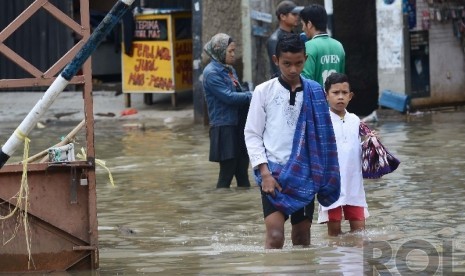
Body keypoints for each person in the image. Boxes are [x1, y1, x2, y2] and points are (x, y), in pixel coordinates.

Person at [244, 34, 340, 249]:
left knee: (302, 236)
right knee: (275, 235)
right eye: (287, 64)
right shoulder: (263, 91)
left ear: (305, 59)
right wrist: (265, 173)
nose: (293, 69)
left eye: (299, 63)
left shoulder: (314, 91)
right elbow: (252, 134)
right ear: (276, 59)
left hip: (306, 174)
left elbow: (323, 137)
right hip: (273, 174)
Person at [317, 72, 369, 236]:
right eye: (335, 93)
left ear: (350, 96)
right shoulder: (322, 120)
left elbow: (356, 148)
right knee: (334, 233)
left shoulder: (355, 120)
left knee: (359, 231)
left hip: (354, 184)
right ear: (326, 96)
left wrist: (369, 143)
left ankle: (354, 261)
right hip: (331, 184)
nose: (340, 97)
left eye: (344, 93)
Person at [202, 33, 252, 189]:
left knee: (242, 170)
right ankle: (221, 209)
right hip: (224, 127)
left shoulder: (229, 70)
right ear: (220, 51)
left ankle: (240, 209)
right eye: (230, 51)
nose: (233, 55)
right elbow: (229, 97)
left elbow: (239, 91)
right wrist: (253, 95)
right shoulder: (211, 73)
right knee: (227, 172)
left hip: (238, 125)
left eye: (234, 51)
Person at [300, 4, 345, 86]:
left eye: (303, 24)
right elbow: (342, 78)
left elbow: (306, 79)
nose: (302, 28)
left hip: (317, 98)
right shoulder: (339, 46)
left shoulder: (309, 46)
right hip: (334, 97)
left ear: (309, 24)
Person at [266, 0, 303, 78]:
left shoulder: (296, 36)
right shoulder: (274, 39)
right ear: (283, 16)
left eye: (297, 14)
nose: (297, 17)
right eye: (294, 14)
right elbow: (277, 69)